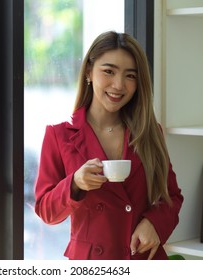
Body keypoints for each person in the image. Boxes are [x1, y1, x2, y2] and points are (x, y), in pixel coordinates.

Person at [34, 31, 184, 260]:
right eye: (109, 71)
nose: (118, 85)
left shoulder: (149, 132)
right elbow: (46, 211)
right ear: (89, 72)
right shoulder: (59, 135)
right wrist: (74, 183)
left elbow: (172, 196)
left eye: (130, 76)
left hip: (141, 258)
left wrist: (154, 223)